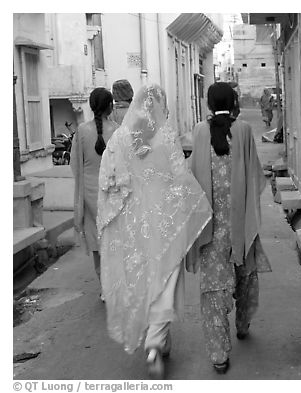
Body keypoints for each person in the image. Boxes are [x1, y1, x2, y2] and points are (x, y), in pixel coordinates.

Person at [97, 84, 212, 379]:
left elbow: (109, 182)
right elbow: (181, 178)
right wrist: (196, 204)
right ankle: (154, 344)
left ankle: (157, 343)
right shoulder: (165, 136)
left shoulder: (119, 138)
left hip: (134, 226)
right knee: (164, 282)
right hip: (164, 224)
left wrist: (115, 215)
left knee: (143, 281)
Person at [188, 82, 272, 374]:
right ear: (234, 101)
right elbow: (255, 176)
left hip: (210, 228)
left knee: (213, 290)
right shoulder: (245, 130)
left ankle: (219, 355)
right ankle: (243, 325)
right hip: (241, 223)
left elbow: (188, 174)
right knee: (245, 276)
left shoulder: (199, 131)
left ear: (208, 104)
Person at [71, 87, 118, 297]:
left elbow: (75, 164)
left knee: (98, 245)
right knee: (113, 242)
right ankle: (116, 286)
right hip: (112, 193)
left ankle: (104, 289)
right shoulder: (117, 130)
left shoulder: (81, 131)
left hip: (90, 194)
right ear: (110, 106)